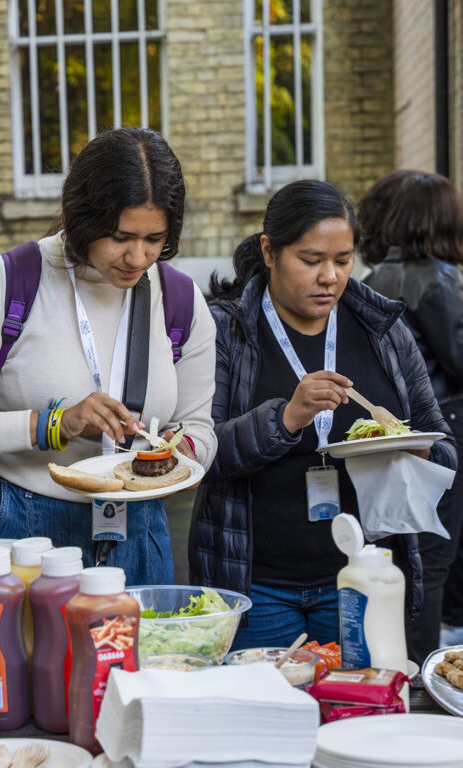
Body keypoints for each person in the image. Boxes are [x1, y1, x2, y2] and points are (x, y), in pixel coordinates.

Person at [0, 127, 218, 585]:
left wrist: (173, 455)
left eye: (155, 239)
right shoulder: (2, 284)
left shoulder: (181, 301)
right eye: (120, 236)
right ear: (82, 215)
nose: (137, 257)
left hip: (144, 532)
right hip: (28, 535)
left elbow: (199, 428)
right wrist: (52, 424)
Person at [189, 179, 456, 651]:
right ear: (269, 251)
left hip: (362, 576)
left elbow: (445, 450)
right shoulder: (225, 331)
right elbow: (196, 458)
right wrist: (287, 418)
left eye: (343, 260)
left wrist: (418, 446)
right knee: (271, 717)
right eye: (311, 261)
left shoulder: (384, 329)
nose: (330, 276)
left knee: (359, 713)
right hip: (258, 584)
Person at [361, 171, 463, 660]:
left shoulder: (372, 281)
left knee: (408, 563)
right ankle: (426, 683)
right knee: (433, 566)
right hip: (442, 437)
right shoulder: (438, 278)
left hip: (392, 440)